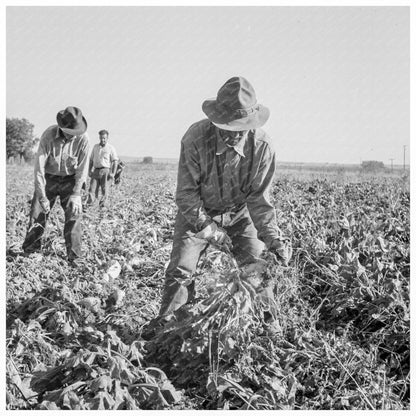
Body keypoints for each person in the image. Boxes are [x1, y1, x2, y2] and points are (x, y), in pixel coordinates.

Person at [147, 76, 292, 336]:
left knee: (256, 269)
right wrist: (209, 229)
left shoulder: (262, 146)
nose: (234, 134)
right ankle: (168, 331)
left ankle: (269, 330)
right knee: (181, 269)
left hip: (240, 215)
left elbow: (259, 200)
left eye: (241, 128)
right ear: (216, 121)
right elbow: (186, 195)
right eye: (227, 127)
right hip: (198, 214)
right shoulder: (195, 138)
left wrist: (273, 238)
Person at [22, 106, 90, 263]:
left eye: (76, 132)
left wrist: (77, 193)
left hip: (71, 180)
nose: (73, 135)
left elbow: (82, 168)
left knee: (74, 215)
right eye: (70, 131)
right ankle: (30, 250)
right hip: (49, 178)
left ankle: (74, 257)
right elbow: (39, 168)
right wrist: (41, 195)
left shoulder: (83, 139)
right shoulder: (49, 135)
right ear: (62, 127)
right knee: (38, 212)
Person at [87, 130, 119, 207]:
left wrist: (113, 173)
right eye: (101, 138)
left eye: (104, 138)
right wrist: (89, 170)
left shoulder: (110, 148)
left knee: (105, 190)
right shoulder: (95, 147)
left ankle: (102, 207)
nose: (102, 140)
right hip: (96, 170)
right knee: (92, 189)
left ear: (107, 138)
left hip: (106, 171)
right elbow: (91, 160)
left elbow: (115, 161)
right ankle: (90, 205)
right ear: (99, 138)